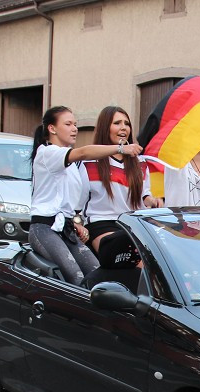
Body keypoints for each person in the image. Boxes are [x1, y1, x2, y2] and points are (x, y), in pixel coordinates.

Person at [28, 105, 140, 286]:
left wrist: (76, 223)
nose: (74, 129)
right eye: (68, 124)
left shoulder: (71, 164)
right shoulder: (47, 153)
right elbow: (83, 152)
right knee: (75, 277)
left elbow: (70, 204)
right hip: (44, 228)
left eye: (75, 124)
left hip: (66, 229)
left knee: (97, 275)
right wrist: (120, 148)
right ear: (52, 128)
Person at [79, 106, 161, 289]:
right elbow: (78, 202)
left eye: (127, 124)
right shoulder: (89, 163)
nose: (123, 128)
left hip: (133, 225)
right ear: (105, 128)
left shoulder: (140, 162)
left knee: (156, 269)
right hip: (102, 224)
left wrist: (153, 201)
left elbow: (145, 195)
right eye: (117, 123)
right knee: (135, 265)